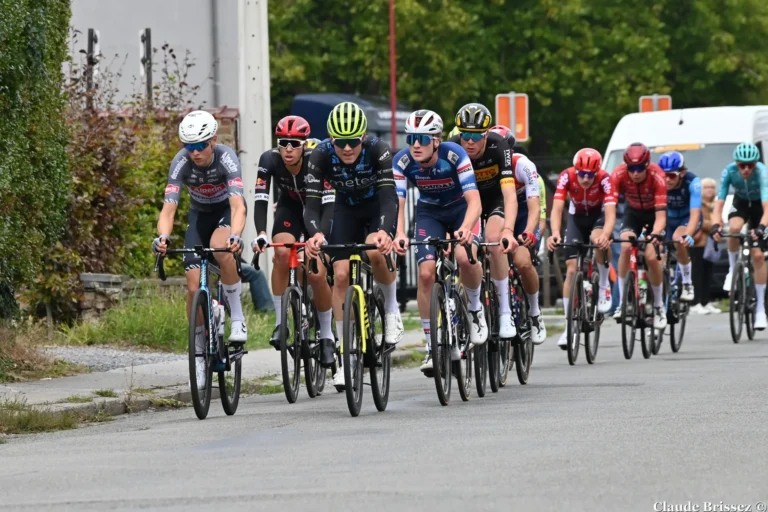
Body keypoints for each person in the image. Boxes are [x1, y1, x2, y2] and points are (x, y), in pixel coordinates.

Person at [303, 102, 404, 387]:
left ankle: (391, 310)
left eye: (353, 142)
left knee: (376, 250)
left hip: (376, 209)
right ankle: (345, 356)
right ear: (330, 139)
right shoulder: (321, 154)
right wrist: (315, 234)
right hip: (345, 210)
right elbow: (312, 206)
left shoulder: (378, 149)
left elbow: (388, 198)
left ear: (363, 137)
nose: (347, 149)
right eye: (340, 142)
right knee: (341, 274)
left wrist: (384, 231)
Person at [153, 110, 247, 389]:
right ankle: (198, 353)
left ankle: (237, 316)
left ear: (213, 141)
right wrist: (163, 237)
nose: (194, 152)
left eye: (200, 145)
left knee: (221, 248)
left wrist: (235, 235)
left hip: (224, 213)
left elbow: (238, 206)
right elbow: (169, 209)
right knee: (193, 289)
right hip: (198, 216)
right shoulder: (181, 162)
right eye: (189, 146)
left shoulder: (227, 158)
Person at [392, 109, 487, 373]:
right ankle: (431, 345)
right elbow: (398, 203)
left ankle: (475, 309)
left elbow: (475, 202)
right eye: (411, 138)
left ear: (436, 140)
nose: (415, 145)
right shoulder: (402, 161)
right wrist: (399, 233)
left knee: (463, 258)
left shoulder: (454, 155)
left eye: (422, 139)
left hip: (461, 210)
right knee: (425, 274)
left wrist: (465, 229)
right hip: (430, 213)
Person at [449, 111, 548, 344]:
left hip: (513, 209)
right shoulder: (457, 150)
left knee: (520, 260)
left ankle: (532, 312)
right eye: (466, 136)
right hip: (474, 204)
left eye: (476, 137)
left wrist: (518, 232)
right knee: (467, 251)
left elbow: (534, 208)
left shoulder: (522, 165)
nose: (470, 141)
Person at [250, 116, 336, 366]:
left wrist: (320, 235)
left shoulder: (316, 160)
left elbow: (328, 205)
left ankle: (327, 336)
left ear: (304, 145)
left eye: (295, 144)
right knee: (281, 254)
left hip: (318, 209)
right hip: (289, 208)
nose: (288, 149)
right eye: (283, 143)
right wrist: (261, 233)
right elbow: (261, 199)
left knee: (316, 273)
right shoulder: (269, 160)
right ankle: (281, 323)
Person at [547, 148, 616, 348]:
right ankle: (568, 328)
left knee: (598, 240)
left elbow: (611, 213)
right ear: (576, 169)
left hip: (598, 216)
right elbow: (557, 209)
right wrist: (555, 233)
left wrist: (606, 235)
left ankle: (604, 284)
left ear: (597, 172)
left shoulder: (605, 178)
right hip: (576, 218)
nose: (586, 179)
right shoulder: (566, 176)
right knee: (571, 270)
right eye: (582, 174)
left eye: (590, 175)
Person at [610, 142, 668, 329]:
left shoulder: (657, 176)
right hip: (633, 213)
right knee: (625, 246)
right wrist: (607, 231)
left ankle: (658, 305)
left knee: (651, 256)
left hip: (654, 215)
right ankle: (622, 302)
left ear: (647, 165)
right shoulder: (618, 174)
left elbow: (661, 217)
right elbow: (610, 209)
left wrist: (655, 234)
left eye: (640, 168)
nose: (635, 173)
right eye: (631, 168)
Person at [712, 142, 768, 329]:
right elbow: (719, 204)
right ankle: (732, 269)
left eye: (750, 165)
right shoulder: (729, 171)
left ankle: (760, 309)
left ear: (755, 164)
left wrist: (761, 228)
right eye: (742, 165)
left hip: (760, 208)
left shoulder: (762, 172)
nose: (746, 169)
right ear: (736, 163)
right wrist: (716, 224)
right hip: (741, 203)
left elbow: (767, 207)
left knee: (758, 255)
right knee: (734, 229)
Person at [658, 151, 701, 303]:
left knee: (679, 239)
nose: (667, 180)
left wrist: (688, 234)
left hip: (687, 217)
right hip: (667, 218)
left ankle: (688, 283)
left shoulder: (692, 182)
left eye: (672, 176)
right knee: (655, 248)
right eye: (664, 175)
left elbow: (695, 214)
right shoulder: (657, 182)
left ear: (682, 173)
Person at [689, 178, 720, 315]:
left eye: (712, 187)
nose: (709, 190)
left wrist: (717, 225)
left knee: (708, 273)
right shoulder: (697, 203)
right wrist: (714, 226)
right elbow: (699, 221)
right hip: (698, 243)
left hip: (711, 243)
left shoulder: (715, 204)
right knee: (697, 273)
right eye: (706, 187)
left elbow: (719, 220)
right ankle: (694, 302)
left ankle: (705, 301)